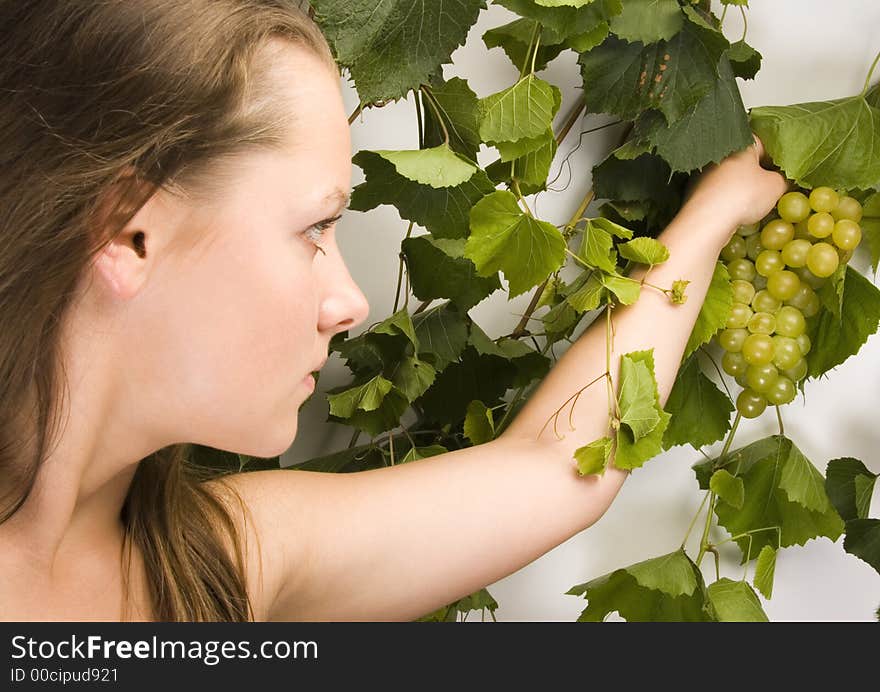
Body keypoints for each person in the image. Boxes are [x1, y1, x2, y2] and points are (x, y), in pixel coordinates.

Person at [0, 0, 788, 622]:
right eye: (315, 228)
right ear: (131, 235)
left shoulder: (214, 562)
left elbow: (554, 469)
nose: (352, 304)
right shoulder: (226, 562)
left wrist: (714, 214)